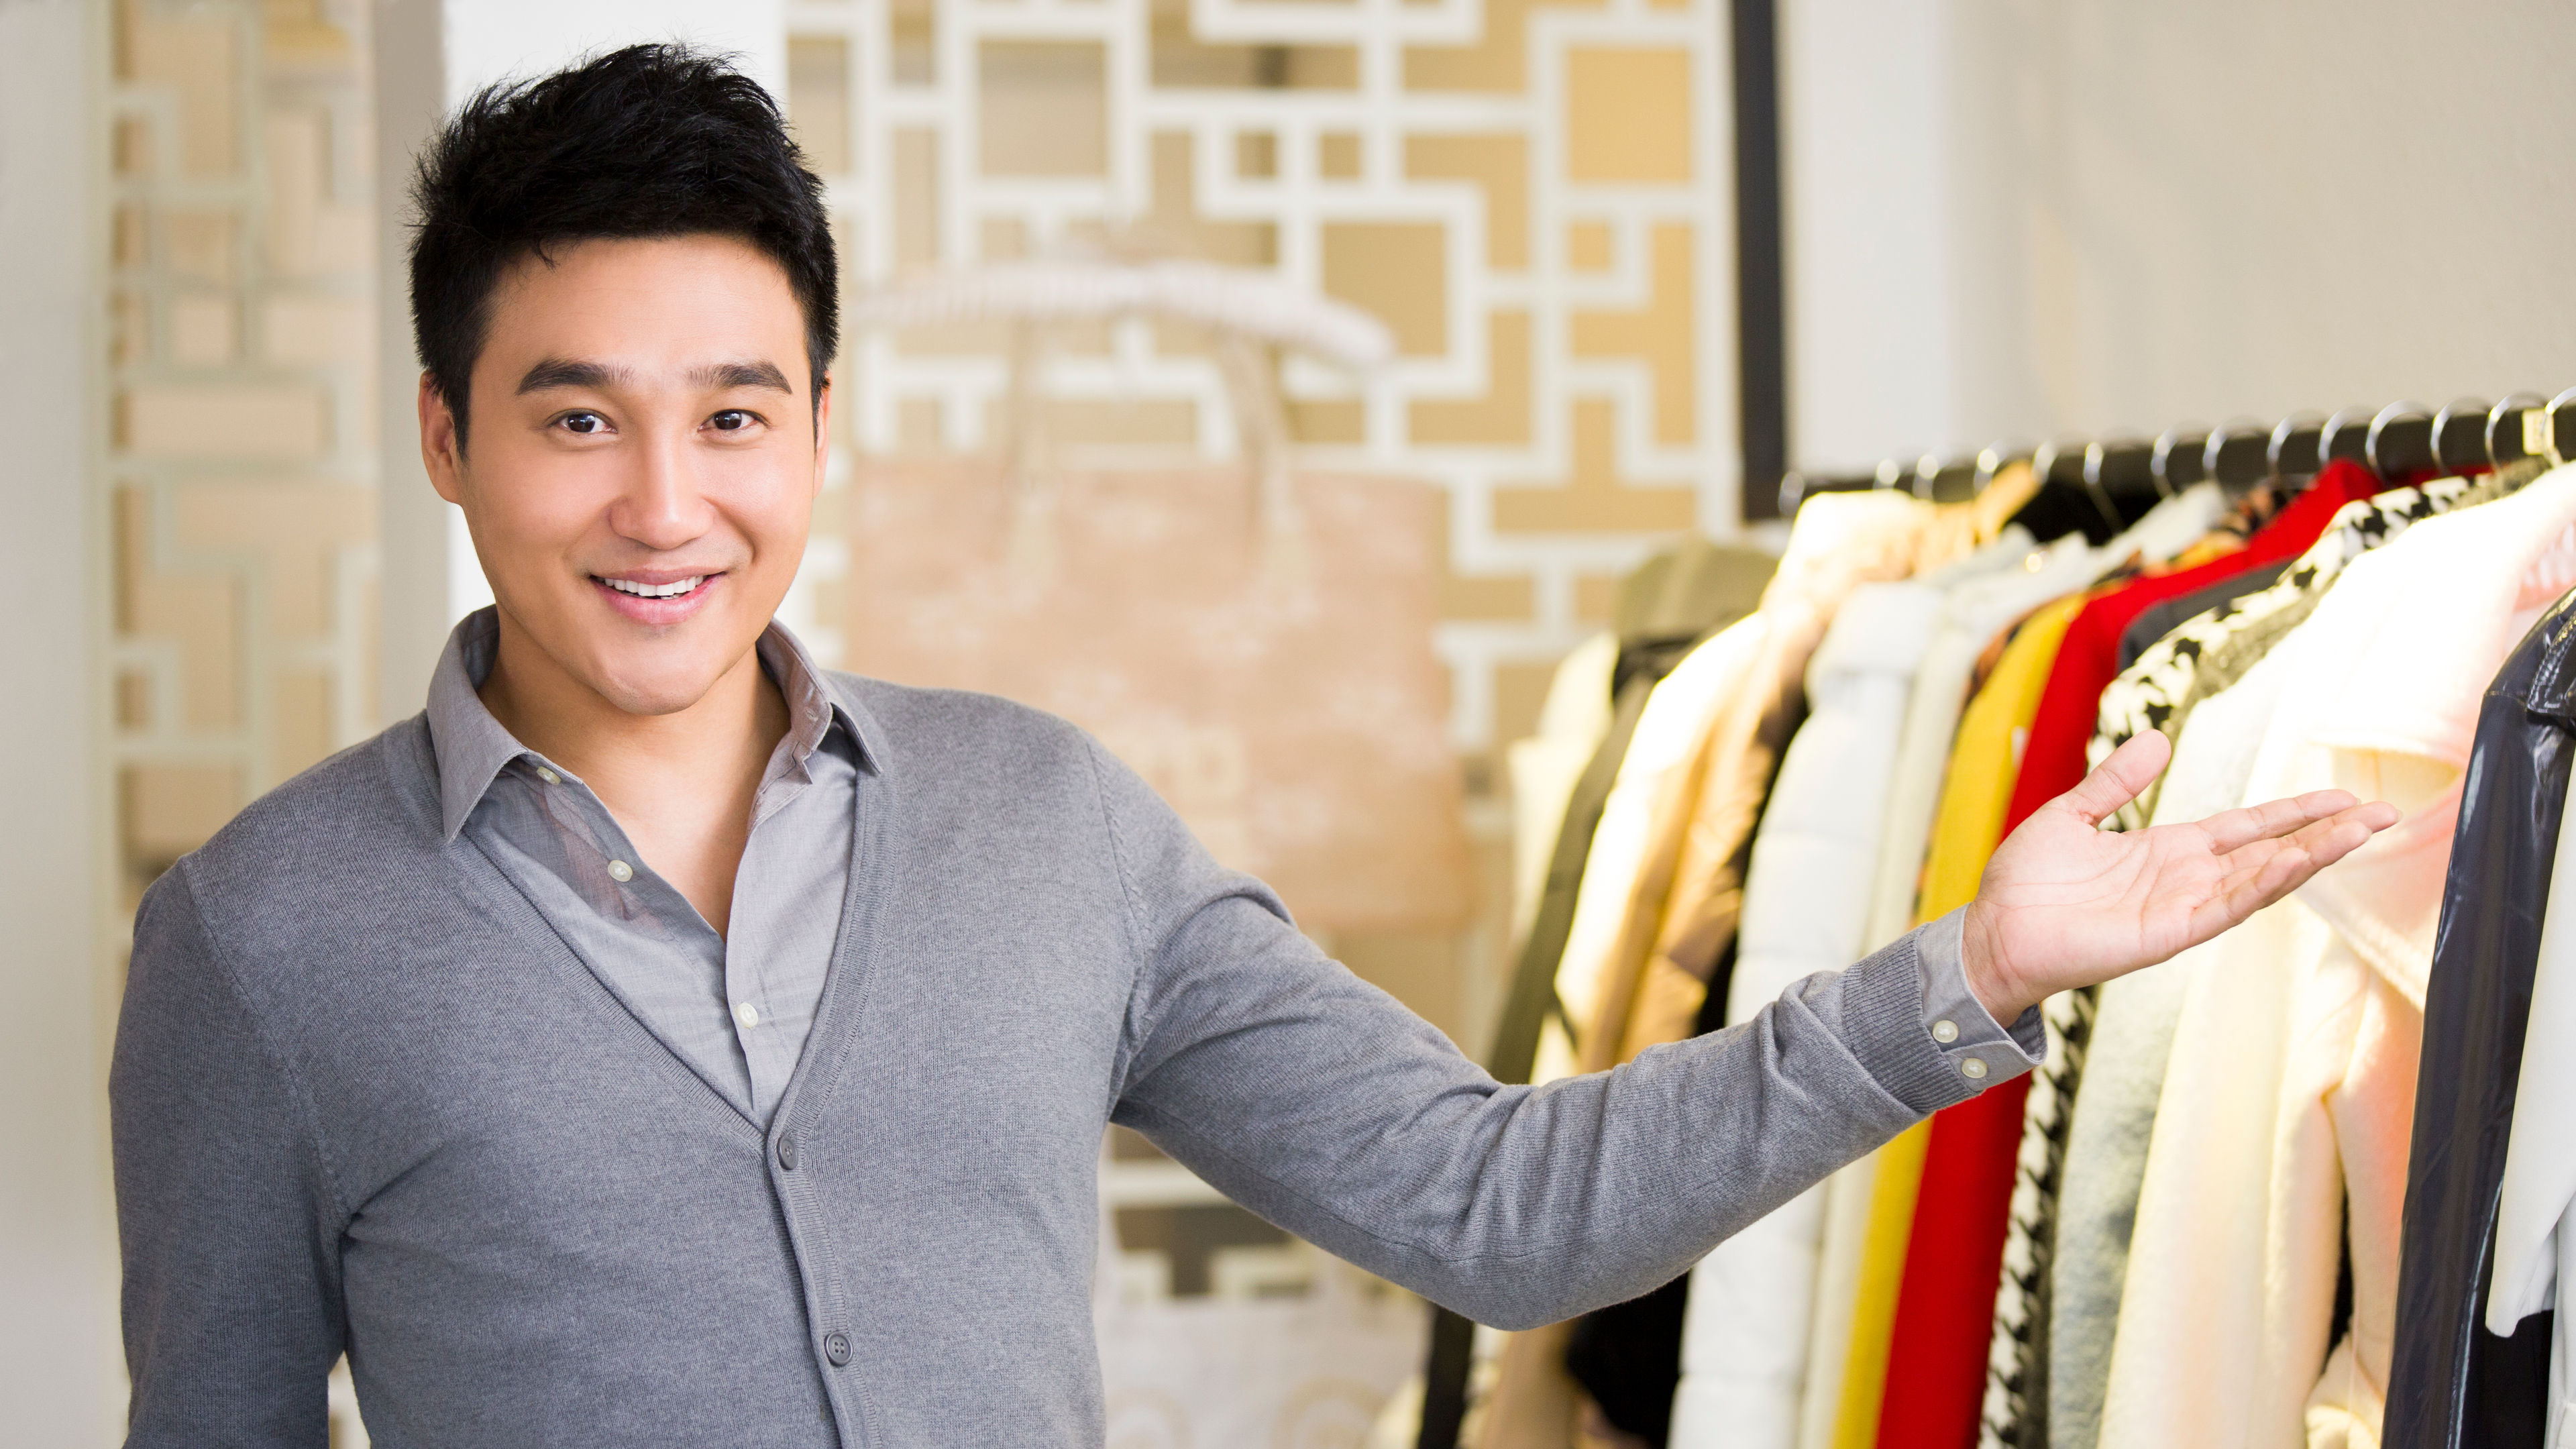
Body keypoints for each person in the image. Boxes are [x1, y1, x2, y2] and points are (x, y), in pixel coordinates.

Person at [107, 44, 2395, 1448]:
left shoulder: (1045, 824)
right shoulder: (264, 943)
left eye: (736, 413)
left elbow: (1499, 1213)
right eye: (574, 418)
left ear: (819, 423)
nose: (665, 504)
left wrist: (1968, 977)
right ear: (445, 437)